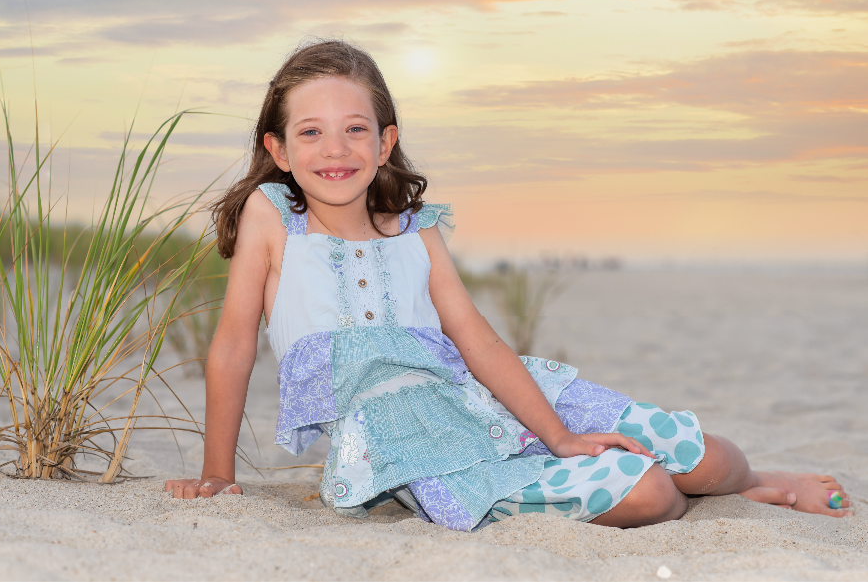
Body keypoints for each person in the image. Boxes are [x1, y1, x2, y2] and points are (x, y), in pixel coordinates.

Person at [165, 40, 852, 530]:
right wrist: (218, 472)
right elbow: (230, 348)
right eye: (310, 132)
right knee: (647, 493)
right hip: (410, 447)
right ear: (278, 150)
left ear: (385, 142)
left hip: (494, 397)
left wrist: (558, 433)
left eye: (355, 130)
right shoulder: (272, 219)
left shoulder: (413, 229)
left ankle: (753, 482)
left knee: (704, 457)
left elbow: (479, 341)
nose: (335, 150)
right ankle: (703, 499)